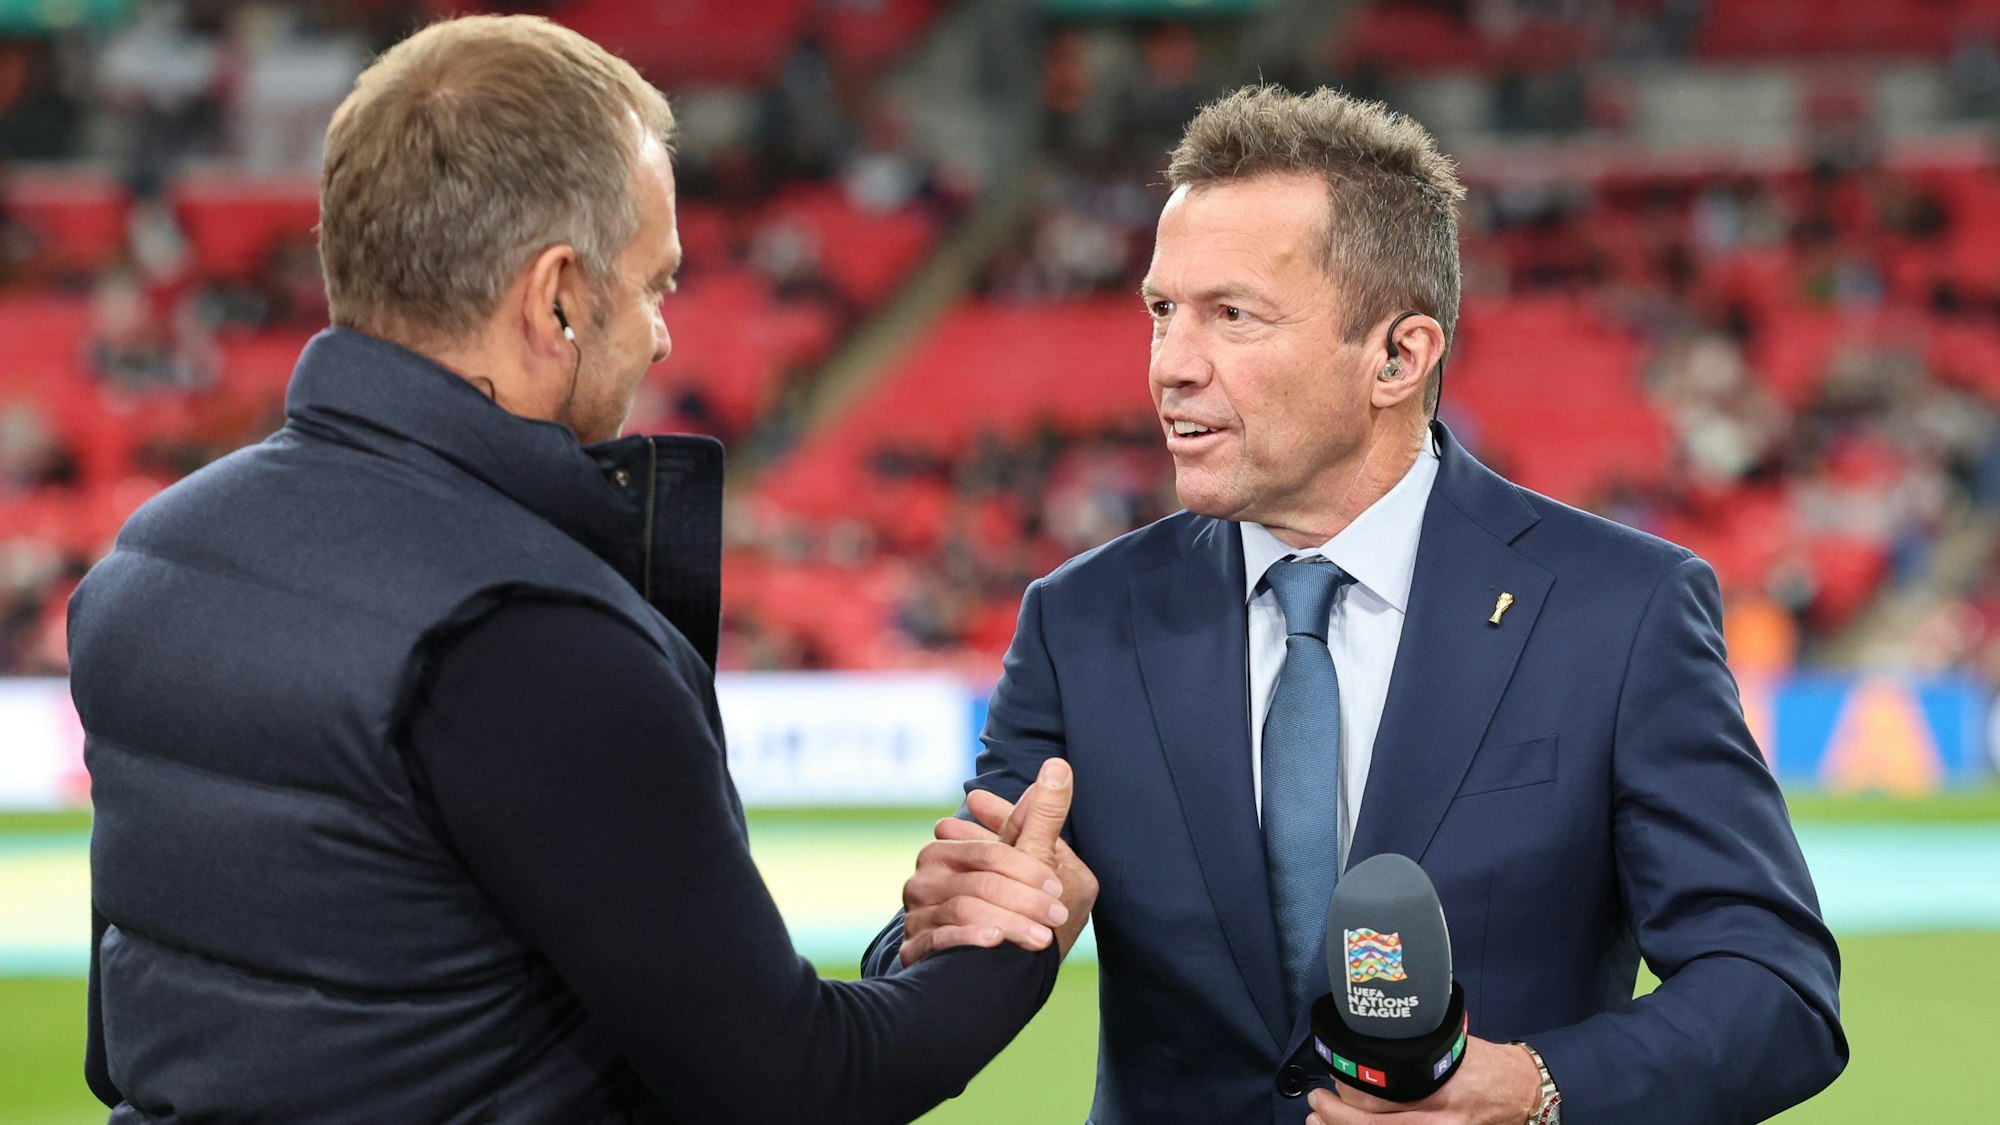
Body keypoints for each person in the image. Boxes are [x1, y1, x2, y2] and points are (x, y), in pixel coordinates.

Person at [68, 16, 1083, 1124]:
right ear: (554, 296)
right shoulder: (528, 636)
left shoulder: (149, 560)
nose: (657, 336)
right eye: (655, 283)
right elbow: (791, 1087)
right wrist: (1007, 941)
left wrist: (905, 949)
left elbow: (124, 1047)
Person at [865, 85, 1846, 1124]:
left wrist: (1533, 1090)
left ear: (1397, 356)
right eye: (1161, 311)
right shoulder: (1082, 622)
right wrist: (956, 919)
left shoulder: (1617, 611)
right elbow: (960, 937)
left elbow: (1773, 992)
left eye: (1230, 315)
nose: (1170, 367)